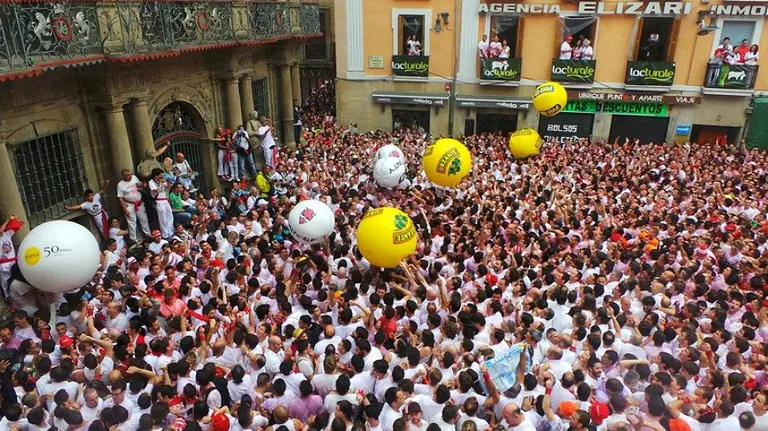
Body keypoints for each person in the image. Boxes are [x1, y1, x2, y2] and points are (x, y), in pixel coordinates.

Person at [116, 169, 152, 244]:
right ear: (124, 176)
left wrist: (142, 185)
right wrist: (124, 209)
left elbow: (140, 185)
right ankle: (134, 239)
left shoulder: (134, 178)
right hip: (129, 204)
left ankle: (148, 234)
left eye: (130, 174)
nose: (129, 176)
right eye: (127, 175)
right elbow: (120, 198)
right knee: (132, 222)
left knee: (144, 220)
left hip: (139, 202)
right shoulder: (120, 185)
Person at [148, 168, 173, 239]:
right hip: (159, 201)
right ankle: (165, 234)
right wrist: (161, 183)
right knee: (163, 218)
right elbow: (157, 190)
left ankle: (170, 231)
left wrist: (168, 182)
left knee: (169, 215)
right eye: (160, 175)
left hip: (165, 200)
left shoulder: (162, 180)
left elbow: (168, 187)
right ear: (156, 176)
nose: (161, 176)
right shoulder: (151, 182)